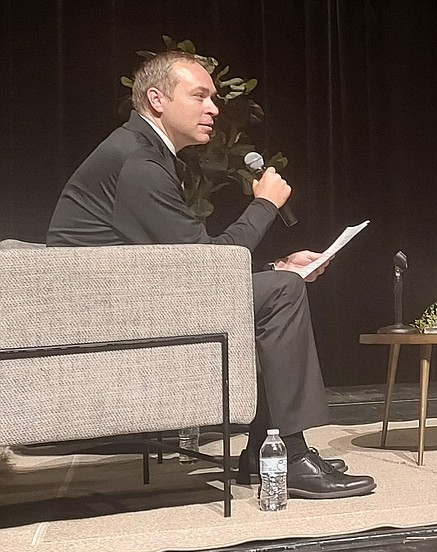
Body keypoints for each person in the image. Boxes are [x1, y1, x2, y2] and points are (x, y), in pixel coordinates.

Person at [46, 51, 377, 498]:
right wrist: (264, 206)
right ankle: (289, 457)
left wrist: (276, 265)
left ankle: (269, 448)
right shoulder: (138, 162)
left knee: (280, 283)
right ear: (156, 99)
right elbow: (204, 267)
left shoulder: (141, 152)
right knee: (281, 291)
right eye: (200, 95)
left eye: (214, 97)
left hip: (129, 295)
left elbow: (185, 264)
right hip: (106, 316)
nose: (214, 108)